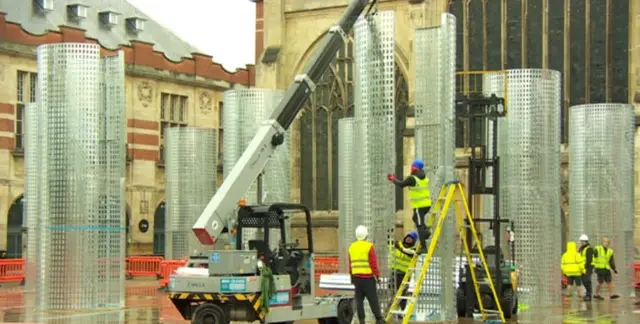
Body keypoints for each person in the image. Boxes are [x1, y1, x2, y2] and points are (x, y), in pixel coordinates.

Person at [387, 158, 432, 253]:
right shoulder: (423, 177)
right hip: (427, 204)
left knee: (419, 225)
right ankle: (426, 232)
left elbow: (401, 184)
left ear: (414, 168)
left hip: (419, 206)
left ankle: (424, 247)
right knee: (415, 218)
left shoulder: (413, 178)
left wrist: (393, 179)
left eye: (412, 167)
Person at [348, 225, 384, 324]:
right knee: (373, 300)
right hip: (368, 279)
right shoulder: (369, 246)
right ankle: (378, 319)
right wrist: (377, 276)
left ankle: (362, 321)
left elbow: (350, 264)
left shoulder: (351, 247)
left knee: (359, 301)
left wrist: (351, 276)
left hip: (356, 279)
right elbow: (373, 263)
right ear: (366, 235)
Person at [391, 231, 418, 311]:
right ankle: (391, 310)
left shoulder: (413, 250)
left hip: (405, 275)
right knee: (392, 293)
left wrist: (400, 247)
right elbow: (389, 241)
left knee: (402, 294)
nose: (409, 239)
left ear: (414, 241)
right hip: (394, 273)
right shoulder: (398, 244)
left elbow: (407, 252)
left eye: (411, 238)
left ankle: (401, 311)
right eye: (408, 237)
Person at [578, 234, 594, 301]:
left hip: (588, 267)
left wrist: (586, 267)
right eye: (581, 241)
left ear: (586, 241)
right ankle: (587, 294)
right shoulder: (581, 249)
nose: (582, 242)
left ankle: (589, 295)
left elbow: (589, 259)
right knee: (584, 281)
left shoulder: (589, 248)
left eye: (583, 241)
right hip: (582, 268)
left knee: (587, 281)